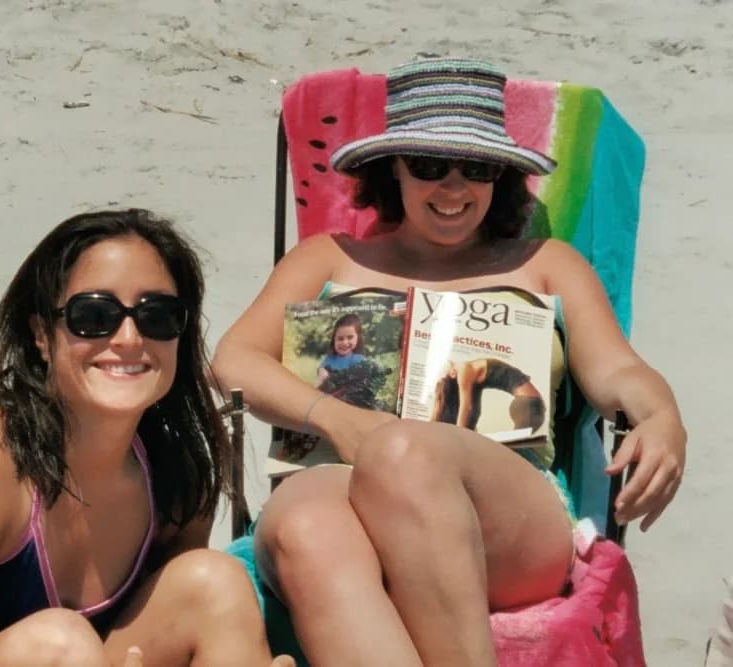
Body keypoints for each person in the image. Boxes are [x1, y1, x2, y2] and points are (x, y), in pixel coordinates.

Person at [212, 57, 686, 666]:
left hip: (503, 510)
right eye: (430, 167)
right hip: (337, 488)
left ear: (503, 177)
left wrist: (663, 414)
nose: (454, 188)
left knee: (405, 452)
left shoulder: (546, 263)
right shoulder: (328, 260)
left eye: (478, 168)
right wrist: (340, 421)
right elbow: (234, 360)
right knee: (305, 526)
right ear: (393, 172)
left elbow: (617, 372)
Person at [0, 209, 294, 667]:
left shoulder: (179, 471)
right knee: (60, 644)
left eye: (158, 315)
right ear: (40, 334)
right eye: (94, 315)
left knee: (216, 583)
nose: (130, 338)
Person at [315, 313, 366, 389]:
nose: (344, 343)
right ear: (334, 340)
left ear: (358, 338)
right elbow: (320, 376)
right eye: (340, 339)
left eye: (350, 337)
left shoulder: (359, 359)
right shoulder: (329, 359)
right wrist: (322, 374)